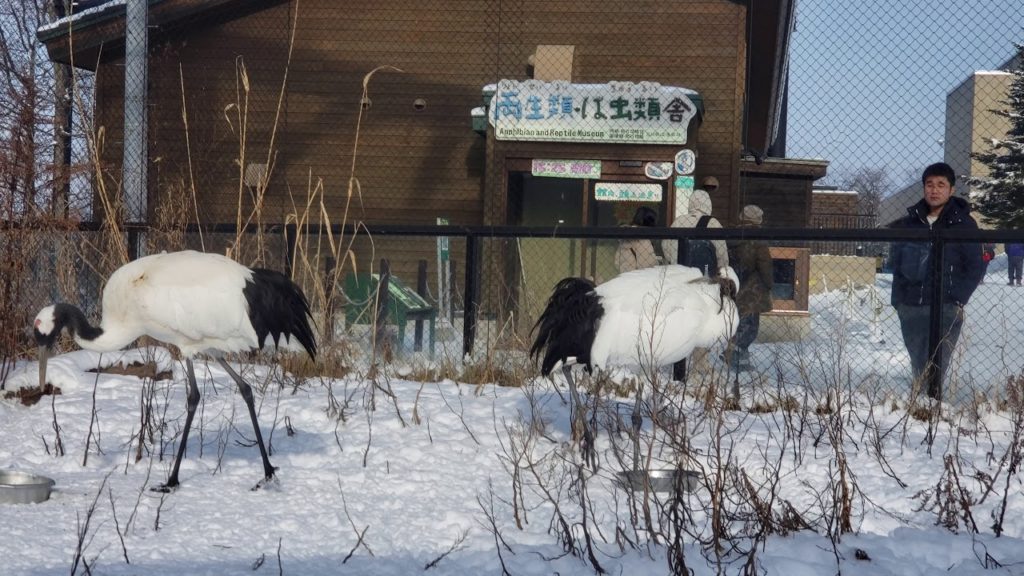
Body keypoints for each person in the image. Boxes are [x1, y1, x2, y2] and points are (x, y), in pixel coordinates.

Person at [889, 162, 985, 400]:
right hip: (911, 306)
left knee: (938, 363)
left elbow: (976, 265)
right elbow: (897, 263)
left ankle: (931, 406)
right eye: (929, 184)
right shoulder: (910, 223)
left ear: (951, 190)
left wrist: (957, 297)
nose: (934, 190)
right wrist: (899, 301)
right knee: (918, 360)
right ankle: (920, 407)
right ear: (924, 188)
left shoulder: (964, 224)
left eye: (941, 185)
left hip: (946, 307)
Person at [726, 205, 773, 371]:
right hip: (753, 290)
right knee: (751, 328)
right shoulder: (757, 239)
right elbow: (764, 263)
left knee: (739, 325)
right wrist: (769, 283)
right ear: (758, 220)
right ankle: (735, 357)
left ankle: (738, 359)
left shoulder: (732, 236)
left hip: (734, 285)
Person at [661, 188, 728, 276]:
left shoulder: (678, 221)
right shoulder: (713, 223)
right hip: (705, 275)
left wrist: (674, 260)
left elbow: (665, 246)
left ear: (690, 203)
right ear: (709, 204)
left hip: (679, 273)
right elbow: (722, 255)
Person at [614, 206, 661, 273]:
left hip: (624, 278)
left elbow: (617, 263)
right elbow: (648, 265)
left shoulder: (624, 239)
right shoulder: (643, 240)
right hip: (639, 280)